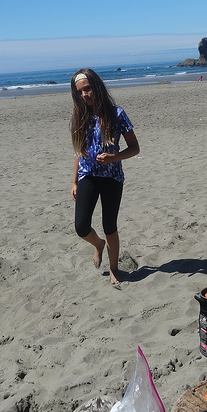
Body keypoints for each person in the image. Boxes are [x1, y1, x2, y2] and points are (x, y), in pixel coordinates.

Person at [70, 69, 140, 285]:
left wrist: (114, 157)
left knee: (110, 225)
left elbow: (135, 148)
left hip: (112, 177)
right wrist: (73, 181)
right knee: (81, 226)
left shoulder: (116, 114)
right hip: (87, 176)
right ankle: (98, 245)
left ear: (97, 87)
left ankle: (114, 269)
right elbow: (78, 151)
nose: (84, 95)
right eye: (79, 91)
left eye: (88, 89)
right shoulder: (80, 117)